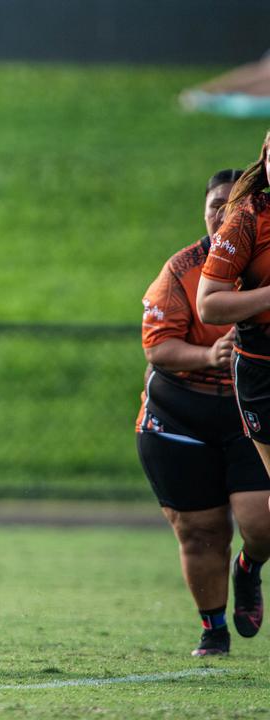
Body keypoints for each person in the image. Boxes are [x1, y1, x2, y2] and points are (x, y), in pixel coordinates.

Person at [139, 168, 270, 657]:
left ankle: (249, 566)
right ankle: (213, 631)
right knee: (200, 530)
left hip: (246, 412)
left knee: (261, 523)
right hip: (181, 413)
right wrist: (208, 356)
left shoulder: (262, 256)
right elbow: (157, 347)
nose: (224, 213)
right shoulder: (183, 269)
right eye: (216, 204)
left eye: (233, 204)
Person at [197, 129, 270, 642]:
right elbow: (210, 303)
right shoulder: (247, 218)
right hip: (263, 365)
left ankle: (249, 563)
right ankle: (247, 565)